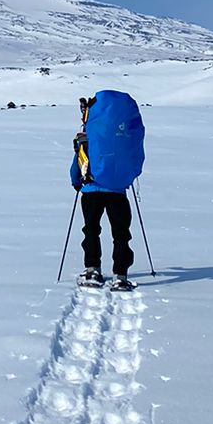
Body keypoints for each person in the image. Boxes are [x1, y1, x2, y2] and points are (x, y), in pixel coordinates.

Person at [70, 90, 145, 291]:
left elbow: (79, 161)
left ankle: (92, 268)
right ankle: (120, 274)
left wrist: (76, 180)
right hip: (118, 191)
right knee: (121, 233)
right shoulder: (120, 132)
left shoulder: (91, 132)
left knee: (91, 230)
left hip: (91, 190)